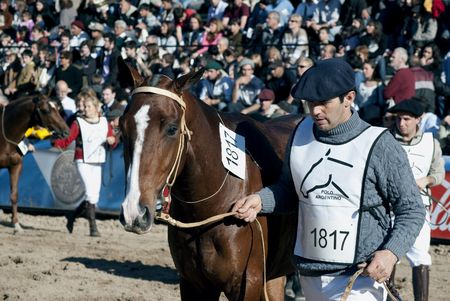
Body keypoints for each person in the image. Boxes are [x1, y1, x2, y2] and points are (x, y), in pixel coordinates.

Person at [232, 58, 425, 301]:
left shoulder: (379, 144)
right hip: (309, 277)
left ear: (349, 98)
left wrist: (390, 253)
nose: (315, 111)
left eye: (324, 103)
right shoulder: (299, 134)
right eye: (310, 103)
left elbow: (412, 209)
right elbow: (290, 190)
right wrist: (261, 201)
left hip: (359, 281)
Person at [388, 99, 445, 301]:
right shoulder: (386, 140)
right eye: (398, 119)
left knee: (420, 256)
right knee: (388, 257)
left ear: (418, 120)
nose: (401, 123)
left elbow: (438, 173)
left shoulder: (431, 142)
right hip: (388, 209)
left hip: (418, 208)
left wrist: (426, 180)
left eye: (406, 119)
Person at [51, 95, 116, 237]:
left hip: (97, 159)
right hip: (82, 159)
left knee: (94, 196)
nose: (85, 109)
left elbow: (112, 139)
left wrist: (112, 141)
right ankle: (93, 227)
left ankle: (72, 215)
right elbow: (69, 138)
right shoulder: (78, 122)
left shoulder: (104, 122)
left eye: (88, 107)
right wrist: (56, 143)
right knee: (90, 193)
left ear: (96, 107)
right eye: (85, 106)